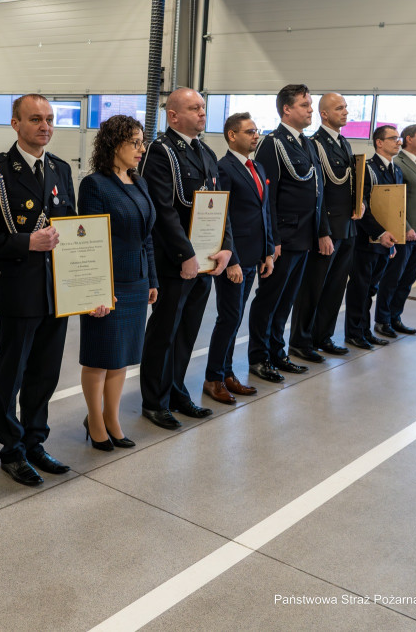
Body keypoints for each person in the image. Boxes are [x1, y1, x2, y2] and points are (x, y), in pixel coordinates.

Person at [0, 94, 77, 486]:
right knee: (12, 373)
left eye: (49, 119)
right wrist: (26, 243)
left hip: (57, 289)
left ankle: (36, 440)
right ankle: (12, 449)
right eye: (35, 119)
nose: (45, 126)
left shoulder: (61, 169)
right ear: (15, 124)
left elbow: (72, 229)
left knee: (45, 372)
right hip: (20, 289)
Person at [138, 87, 232, 430]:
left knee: (187, 330)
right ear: (173, 115)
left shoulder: (206, 152)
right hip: (174, 261)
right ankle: (155, 400)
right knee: (164, 331)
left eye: (204, 107)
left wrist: (227, 247)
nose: (203, 113)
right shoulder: (160, 152)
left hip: (205, 260)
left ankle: (176, 391)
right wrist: (185, 255)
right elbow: (163, 210)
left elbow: (220, 206)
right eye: (195, 108)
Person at [77, 115, 157, 449]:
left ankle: (112, 417)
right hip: (107, 283)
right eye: (134, 142)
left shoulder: (138, 181)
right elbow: (91, 240)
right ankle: (95, 421)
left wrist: (151, 277)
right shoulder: (95, 185)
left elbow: (147, 236)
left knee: (122, 356)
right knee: (99, 355)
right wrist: (97, 287)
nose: (141, 149)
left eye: (142, 142)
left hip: (136, 281)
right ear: (115, 143)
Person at [247, 84, 326, 384]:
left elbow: (315, 192)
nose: (310, 110)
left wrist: (319, 232)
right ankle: (258, 356)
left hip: (303, 237)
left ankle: (277, 351)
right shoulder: (273, 143)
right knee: (269, 298)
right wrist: (273, 240)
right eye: (305, 105)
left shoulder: (305, 144)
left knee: (286, 300)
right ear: (287, 110)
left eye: (310, 104)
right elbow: (269, 196)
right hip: (284, 238)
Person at [203, 112, 272, 404]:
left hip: (253, 254)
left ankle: (227, 373)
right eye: (250, 132)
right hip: (234, 257)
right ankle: (213, 378)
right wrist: (231, 261)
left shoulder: (255, 166)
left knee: (236, 317)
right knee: (229, 317)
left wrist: (267, 250)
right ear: (232, 135)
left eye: (256, 131)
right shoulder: (224, 168)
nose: (256, 136)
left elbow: (263, 212)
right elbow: (223, 216)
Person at [289, 93, 362, 361]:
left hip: (346, 226)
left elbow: (351, 181)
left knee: (335, 288)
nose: (345, 112)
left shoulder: (343, 143)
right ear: (324, 114)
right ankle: (300, 341)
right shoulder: (315, 144)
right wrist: (323, 231)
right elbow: (316, 192)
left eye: (345, 107)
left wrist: (360, 202)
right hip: (327, 227)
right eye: (338, 108)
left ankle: (323, 336)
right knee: (313, 288)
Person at [375, 124, 416, 337]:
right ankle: (382, 320)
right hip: (405, 233)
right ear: (409, 139)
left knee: (408, 280)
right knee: (393, 278)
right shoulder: (399, 163)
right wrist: (407, 227)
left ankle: (395, 317)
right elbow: (396, 201)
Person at [344, 125, 401, 350]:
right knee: (360, 289)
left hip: (385, 243)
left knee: (371, 290)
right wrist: (379, 233)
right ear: (379, 142)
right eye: (393, 138)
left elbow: (394, 209)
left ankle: (365, 331)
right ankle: (354, 333)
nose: (398, 142)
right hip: (366, 240)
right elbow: (361, 208)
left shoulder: (395, 170)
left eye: (398, 138)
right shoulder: (368, 169)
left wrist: (394, 239)